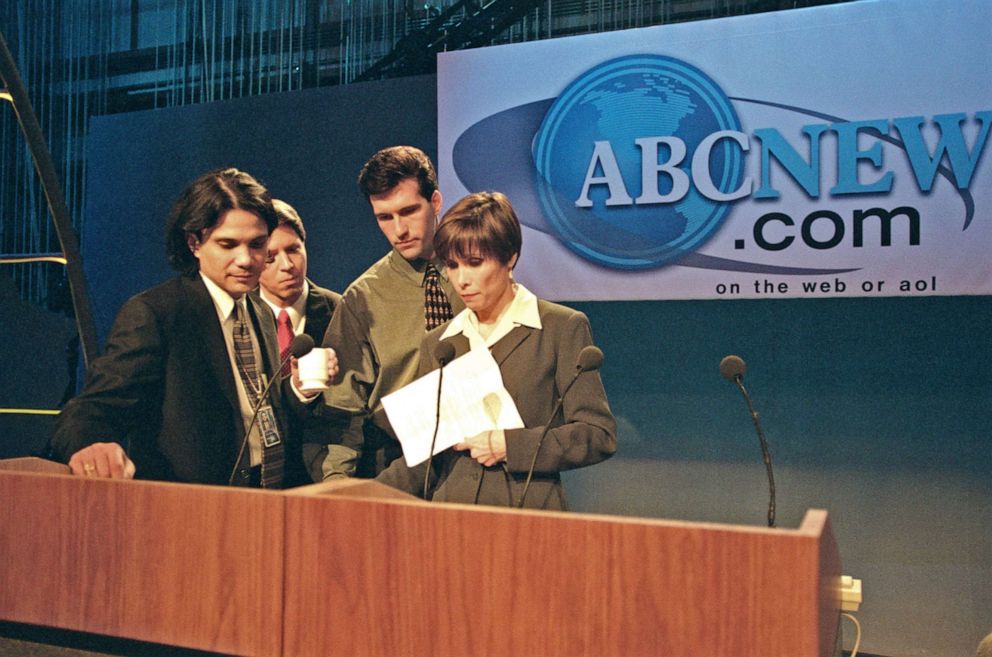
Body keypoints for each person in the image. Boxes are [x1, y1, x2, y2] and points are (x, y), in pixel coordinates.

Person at [51, 168, 336, 487]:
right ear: (194, 243)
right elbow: (93, 408)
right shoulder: (157, 313)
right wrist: (89, 443)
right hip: (191, 508)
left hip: (267, 495)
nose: (246, 259)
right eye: (228, 245)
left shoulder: (257, 307)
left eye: (257, 245)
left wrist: (298, 390)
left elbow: (256, 409)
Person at [377, 191, 616, 509]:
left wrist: (510, 445)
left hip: (527, 516)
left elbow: (597, 435)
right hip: (450, 520)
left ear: (510, 257)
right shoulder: (440, 344)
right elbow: (426, 458)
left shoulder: (561, 327)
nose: (461, 280)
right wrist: (360, 494)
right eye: (452, 265)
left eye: (475, 263)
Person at [318, 146, 464, 478]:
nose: (399, 230)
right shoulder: (363, 296)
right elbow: (344, 406)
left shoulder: (476, 274)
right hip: (399, 461)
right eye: (385, 217)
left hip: (479, 454)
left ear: (436, 202)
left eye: (409, 211)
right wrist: (337, 485)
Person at [255, 198, 344, 481]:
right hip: (261, 475)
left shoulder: (342, 310)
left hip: (325, 470)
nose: (287, 265)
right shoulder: (240, 317)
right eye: (271, 257)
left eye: (294, 249)